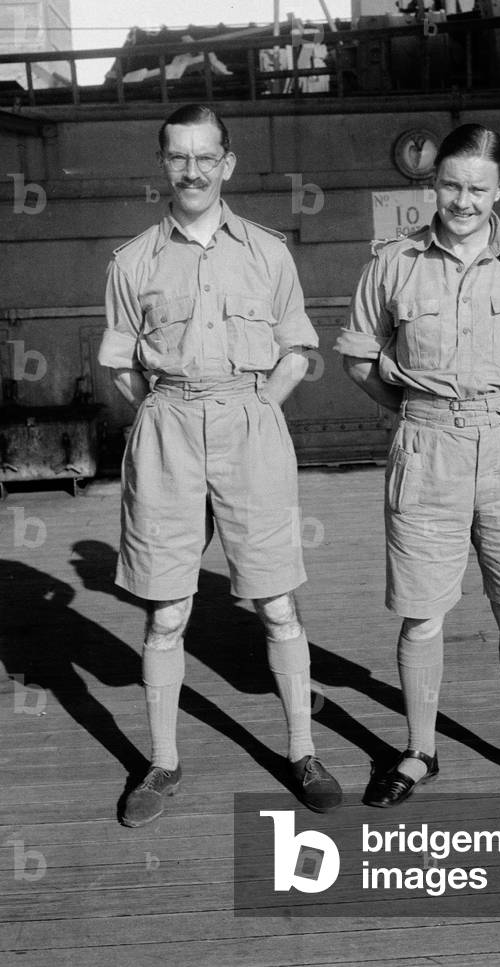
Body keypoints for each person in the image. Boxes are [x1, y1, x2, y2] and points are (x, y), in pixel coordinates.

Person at [336, 123, 500, 808]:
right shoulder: (392, 263)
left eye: (477, 188)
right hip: (427, 450)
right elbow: (360, 355)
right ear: (433, 184)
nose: (462, 200)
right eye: (451, 185)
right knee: (423, 615)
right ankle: (420, 752)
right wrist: (410, 410)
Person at [98, 104, 342, 825]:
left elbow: (299, 347)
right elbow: (119, 366)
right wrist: (165, 410)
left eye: (207, 157)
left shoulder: (268, 251)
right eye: (179, 157)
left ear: (228, 164)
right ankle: (163, 763)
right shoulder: (132, 260)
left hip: (249, 426)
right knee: (167, 608)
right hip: (168, 430)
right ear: (164, 166)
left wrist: (260, 403)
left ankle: (301, 749)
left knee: (275, 600)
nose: (194, 170)